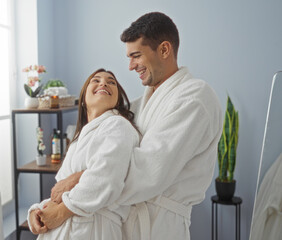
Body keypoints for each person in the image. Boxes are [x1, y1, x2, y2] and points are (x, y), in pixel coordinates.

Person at [48, 12, 223, 239]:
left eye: (136, 56)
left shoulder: (195, 98)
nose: (130, 66)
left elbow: (147, 172)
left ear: (164, 50)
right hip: (121, 223)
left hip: (159, 227)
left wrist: (75, 184)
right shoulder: (142, 103)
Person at [27, 68, 141, 239]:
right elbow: (59, 191)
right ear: (82, 100)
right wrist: (36, 212)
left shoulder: (119, 125)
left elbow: (105, 179)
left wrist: (59, 213)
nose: (104, 83)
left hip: (92, 229)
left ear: (117, 100)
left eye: (111, 82)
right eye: (96, 80)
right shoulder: (78, 140)